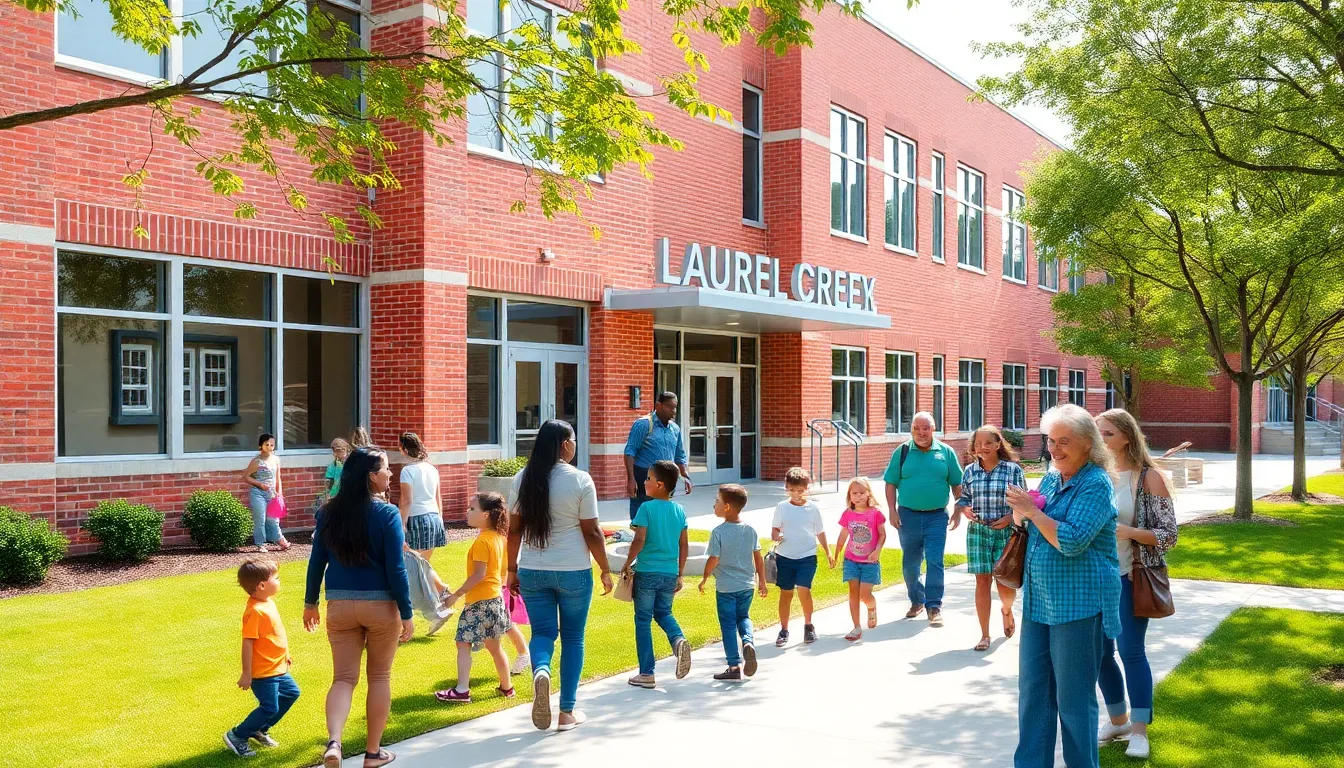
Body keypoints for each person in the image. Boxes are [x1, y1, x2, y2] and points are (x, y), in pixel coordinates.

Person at [1006, 404, 1121, 768]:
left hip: (1078, 607)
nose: (1054, 449)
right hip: (1039, 603)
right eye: (1051, 440)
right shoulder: (1054, 476)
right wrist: (1020, 512)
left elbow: (1071, 541)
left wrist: (1034, 512)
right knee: (1034, 696)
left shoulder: (1096, 484)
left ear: (1089, 443)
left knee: (1073, 703)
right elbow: (1031, 524)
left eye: (1064, 441)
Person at [304, 447, 415, 768]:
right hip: (381, 607)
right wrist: (407, 613)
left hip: (339, 605)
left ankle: (334, 743)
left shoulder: (328, 512)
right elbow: (396, 569)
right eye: (385, 470)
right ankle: (372, 753)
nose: (390, 474)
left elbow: (316, 563)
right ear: (371, 476)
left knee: (343, 678)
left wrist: (310, 603)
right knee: (379, 677)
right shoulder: (388, 514)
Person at [508, 419, 614, 732]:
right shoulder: (580, 480)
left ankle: (541, 671)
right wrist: (606, 570)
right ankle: (566, 712)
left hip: (532, 570)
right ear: (566, 444)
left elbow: (514, 531)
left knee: (542, 633)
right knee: (572, 638)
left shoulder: (522, 479)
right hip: (573, 572)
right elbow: (593, 531)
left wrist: (511, 570)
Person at [1095, 409, 1178, 760]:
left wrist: (1129, 532)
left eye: (1108, 434)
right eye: (1098, 433)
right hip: (1094, 579)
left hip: (1130, 577)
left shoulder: (1148, 479)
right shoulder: (1094, 474)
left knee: (1131, 652)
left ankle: (1140, 732)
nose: (1101, 440)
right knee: (1100, 655)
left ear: (1127, 436)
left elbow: (1169, 535)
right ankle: (1118, 719)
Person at [883, 411, 963, 627]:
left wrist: (958, 509)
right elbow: (890, 483)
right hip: (907, 516)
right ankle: (917, 600)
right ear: (912, 430)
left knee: (935, 560)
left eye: (925, 428)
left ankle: (934, 606)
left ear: (933, 429)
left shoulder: (945, 452)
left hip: (937, 516)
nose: (921, 432)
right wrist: (892, 510)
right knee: (910, 564)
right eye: (916, 428)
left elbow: (957, 484)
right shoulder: (903, 452)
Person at [435, 492, 515, 703]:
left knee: (463, 643)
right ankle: (507, 687)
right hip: (496, 600)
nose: (467, 512)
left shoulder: (482, 542)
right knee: (495, 646)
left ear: (486, 514)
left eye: (472, 509)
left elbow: (479, 575)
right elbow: (504, 571)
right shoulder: (500, 538)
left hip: (478, 603)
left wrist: (455, 596)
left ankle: (462, 690)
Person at [953, 425, 1027, 651]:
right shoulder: (970, 471)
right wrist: (964, 509)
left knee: (1005, 585)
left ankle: (1006, 609)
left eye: (987, 443)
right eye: (977, 444)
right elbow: (964, 498)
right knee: (982, 581)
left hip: (1005, 533)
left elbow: (1024, 502)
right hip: (978, 532)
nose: (982, 447)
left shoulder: (1012, 470)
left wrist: (1009, 518)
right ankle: (984, 634)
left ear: (998, 445)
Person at [622, 460, 692, 689]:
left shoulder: (646, 508)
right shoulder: (679, 510)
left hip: (647, 573)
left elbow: (639, 539)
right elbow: (684, 544)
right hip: (670, 572)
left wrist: (627, 562)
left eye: (649, 479)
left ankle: (646, 673)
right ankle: (678, 640)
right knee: (664, 612)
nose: (645, 482)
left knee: (643, 620)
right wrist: (680, 573)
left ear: (660, 484)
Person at [223, 559, 300, 758]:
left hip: (278, 667)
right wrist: (246, 674)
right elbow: (247, 643)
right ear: (262, 585)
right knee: (269, 707)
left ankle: (259, 729)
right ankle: (237, 735)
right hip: (263, 672)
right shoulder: (255, 611)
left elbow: (276, 634)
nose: (279, 580)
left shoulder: (268, 602)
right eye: (276, 577)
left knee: (291, 693)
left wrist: (286, 655)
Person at [699, 483, 767, 681]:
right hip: (747, 585)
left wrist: (704, 578)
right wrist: (762, 581)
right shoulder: (751, 530)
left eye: (717, 501)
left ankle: (734, 666)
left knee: (728, 624)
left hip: (726, 587)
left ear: (727, 507)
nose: (714, 505)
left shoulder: (718, 532)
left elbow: (714, 559)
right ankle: (748, 642)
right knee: (743, 617)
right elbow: (758, 557)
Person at [771, 466, 831, 647]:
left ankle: (808, 625)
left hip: (807, 556)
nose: (797, 494)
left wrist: (828, 552)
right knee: (786, 593)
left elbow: (820, 532)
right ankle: (784, 629)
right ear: (786, 488)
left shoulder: (813, 508)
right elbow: (774, 529)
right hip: (785, 557)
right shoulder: (781, 507)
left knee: (804, 589)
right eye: (792, 490)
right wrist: (776, 536)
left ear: (807, 489)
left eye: (800, 490)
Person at [832, 477, 886, 642]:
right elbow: (842, 536)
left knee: (865, 594)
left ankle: (871, 607)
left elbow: (882, 534)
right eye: (854, 493)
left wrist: (877, 550)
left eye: (862, 492)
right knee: (853, 593)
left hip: (870, 562)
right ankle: (856, 626)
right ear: (850, 495)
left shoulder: (876, 513)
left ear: (869, 493)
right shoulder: (848, 514)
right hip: (851, 560)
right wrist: (836, 555)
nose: (858, 496)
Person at [623, 392, 693, 519]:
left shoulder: (675, 429)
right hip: (645, 477)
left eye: (675, 407)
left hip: (668, 478)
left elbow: (679, 456)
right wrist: (631, 479)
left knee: (662, 516)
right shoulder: (643, 425)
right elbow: (629, 452)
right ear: (658, 406)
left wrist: (685, 476)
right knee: (642, 516)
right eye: (670, 407)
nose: (674, 411)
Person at [397, 432, 448, 596]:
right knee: (421, 564)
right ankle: (441, 595)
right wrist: (440, 519)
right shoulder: (432, 469)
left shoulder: (407, 471)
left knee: (415, 564)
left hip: (417, 519)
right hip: (434, 517)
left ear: (404, 449)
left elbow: (407, 500)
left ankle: (441, 593)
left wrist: (401, 523)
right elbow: (438, 497)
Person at [242, 433, 290, 553]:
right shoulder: (256, 461)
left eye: (272, 445)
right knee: (260, 518)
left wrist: (279, 493)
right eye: (266, 444)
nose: (269, 447)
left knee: (273, 519)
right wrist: (260, 484)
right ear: (261, 446)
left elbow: (278, 478)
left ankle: (279, 539)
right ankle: (260, 544)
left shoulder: (276, 460)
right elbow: (246, 477)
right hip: (258, 493)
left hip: (272, 494)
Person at [323, 438, 350, 505]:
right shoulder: (332, 466)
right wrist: (328, 496)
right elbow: (329, 482)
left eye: (338, 451)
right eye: (334, 451)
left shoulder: (352, 464)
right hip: (336, 497)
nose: (334, 454)